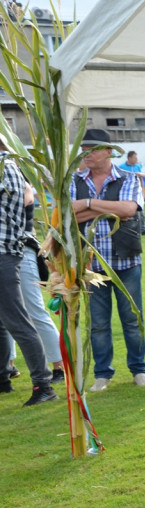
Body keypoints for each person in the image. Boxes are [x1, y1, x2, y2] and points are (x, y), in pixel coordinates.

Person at [70, 129, 145, 392]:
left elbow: (129, 210)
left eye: (91, 148)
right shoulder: (75, 179)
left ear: (108, 151)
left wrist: (90, 203)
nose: (86, 153)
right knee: (99, 324)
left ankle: (139, 370)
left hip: (125, 261)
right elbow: (68, 214)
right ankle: (102, 374)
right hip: (91, 266)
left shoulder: (127, 177)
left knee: (132, 319)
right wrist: (109, 208)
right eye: (83, 148)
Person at [0, 141, 55, 405]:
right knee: (5, 322)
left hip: (4, 254)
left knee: (19, 321)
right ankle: (3, 378)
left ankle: (43, 385)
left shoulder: (5, 167)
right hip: (7, 253)